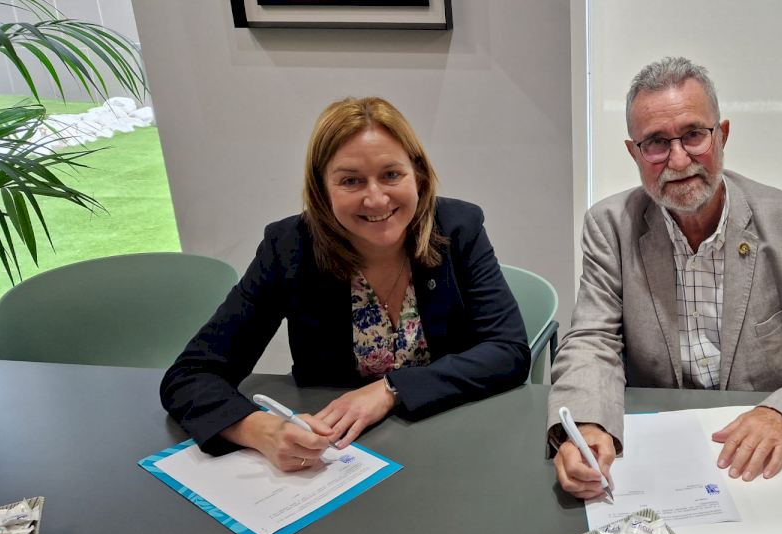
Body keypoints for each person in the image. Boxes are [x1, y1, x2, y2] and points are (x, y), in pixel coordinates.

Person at [548, 57, 782, 499]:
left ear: (722, 135)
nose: (678, 160)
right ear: (634, 153)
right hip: (660, 453)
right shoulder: (609, 226)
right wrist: (587, 423)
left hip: (769, 457)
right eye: (656, 143)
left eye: (694, 135)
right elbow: (591, 339)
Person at [161, 97, 529, 471]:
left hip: (450, 438)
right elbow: (190, 375)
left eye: (391, 174)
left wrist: (390, 389)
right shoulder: (288, 248)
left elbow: (508, 351)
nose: (376, 199)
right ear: (322, 190)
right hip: (338, 459)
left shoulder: (458, 227)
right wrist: (262, 430)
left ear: (417, 175)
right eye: (351, 181)